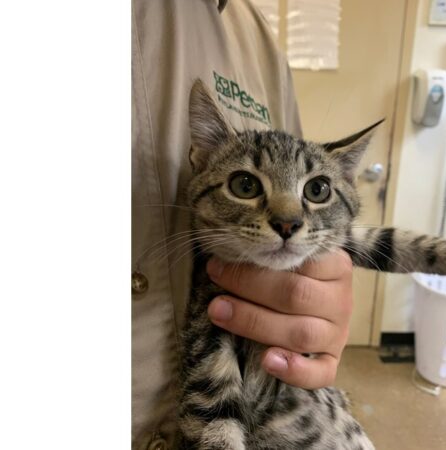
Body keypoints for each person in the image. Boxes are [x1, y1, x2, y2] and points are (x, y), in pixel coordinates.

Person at [132, 1, 354, 448]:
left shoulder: (259, 41)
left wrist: (321, 299)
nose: (287, 219)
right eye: (247, 184)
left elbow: (310, 240)